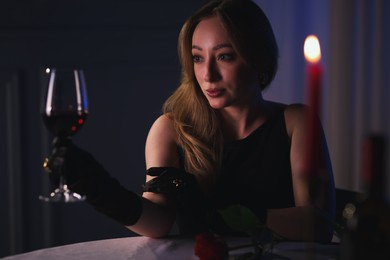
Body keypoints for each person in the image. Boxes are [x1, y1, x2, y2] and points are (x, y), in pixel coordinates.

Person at [46, 0, 335, 243]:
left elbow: (318, 224)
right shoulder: (171, 129)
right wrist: (100, 190)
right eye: (198, 58)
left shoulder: (295, 122)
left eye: (224, 56)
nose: (208, 74)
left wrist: (219, 213)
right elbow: (158, 223)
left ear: (258, 58)